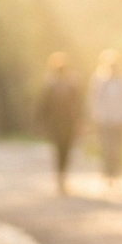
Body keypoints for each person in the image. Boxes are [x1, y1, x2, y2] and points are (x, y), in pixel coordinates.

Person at [36, 52, 82, 195]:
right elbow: (43, 106)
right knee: (59, 149)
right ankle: (60, 176)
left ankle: (63, 175)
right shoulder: (50, 85)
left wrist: (79, 121)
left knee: (67, 149)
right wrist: (42, 122)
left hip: (69, 123)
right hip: (55, 124)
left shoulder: (72, 85)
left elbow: (77, 105)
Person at [88, 49, 122, 187]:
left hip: (119, 120)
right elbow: (94, 99)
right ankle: (107, 173)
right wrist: (94, 114)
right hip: (104, 119)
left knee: (118, 148)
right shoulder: (99, 79)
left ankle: (116, 173)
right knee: (106, 147)